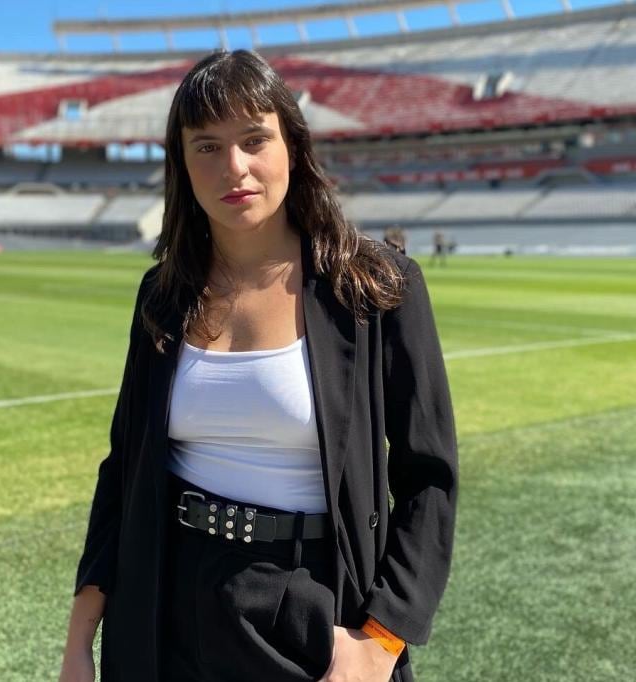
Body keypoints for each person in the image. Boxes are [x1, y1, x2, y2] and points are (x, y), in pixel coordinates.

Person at [59, 49, 457, 682]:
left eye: (254, 139)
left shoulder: (378, 285)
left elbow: (428, 479)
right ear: (182, 164)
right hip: (167, 601)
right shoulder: (162, 295)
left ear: (291, 146)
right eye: (207, 146)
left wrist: (380, 642)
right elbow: (124, 466)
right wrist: (81, 638)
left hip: (311, 606)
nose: (234, 167)